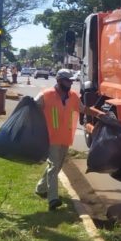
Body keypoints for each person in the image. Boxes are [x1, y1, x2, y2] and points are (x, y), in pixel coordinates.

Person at [35, 69, 81, 211]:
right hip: (51, 138)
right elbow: (32, 108)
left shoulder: (73, 96)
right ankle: (53, 199)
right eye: (68, 80)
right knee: (54, 167)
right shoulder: (45, 95)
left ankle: (41, 188)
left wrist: (101, 115)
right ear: (59, 80)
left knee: (56, 166)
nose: (71, 83)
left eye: (72, 81)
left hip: (66, 138)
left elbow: (83, 108)